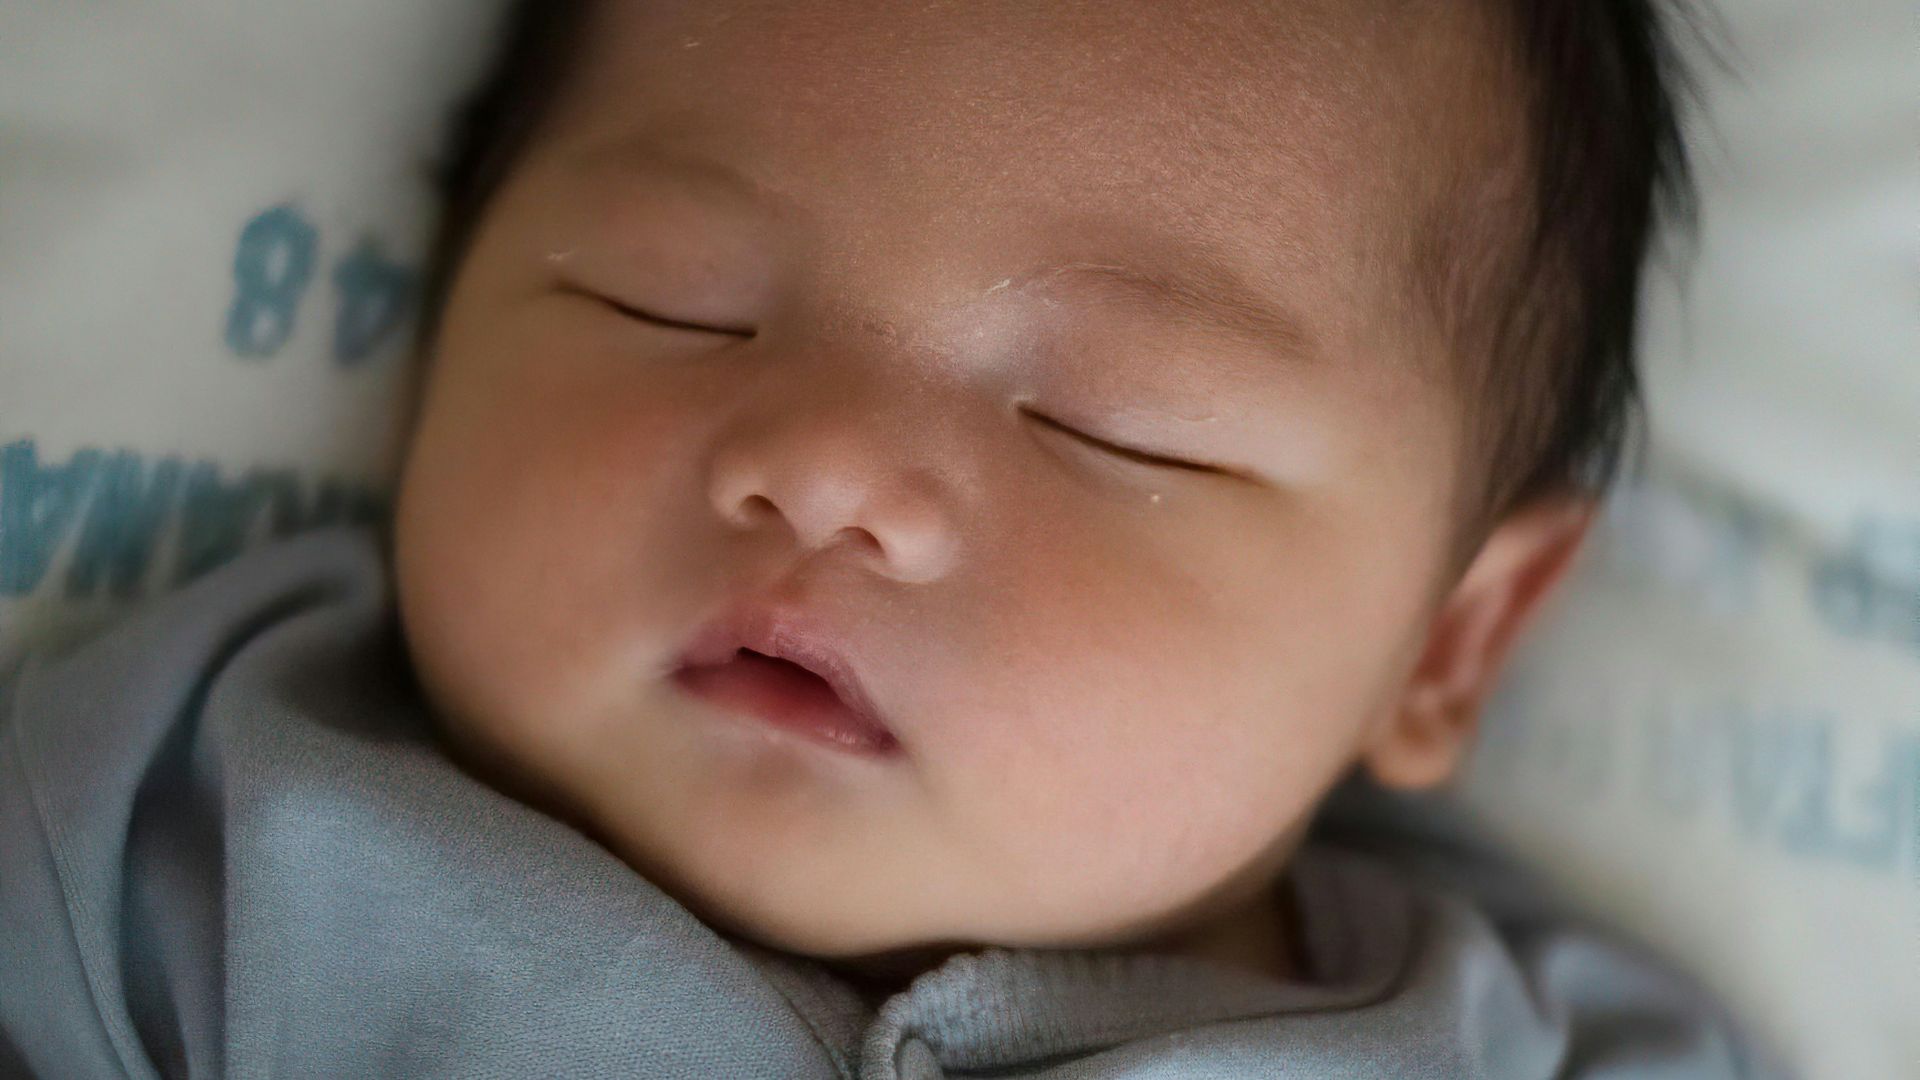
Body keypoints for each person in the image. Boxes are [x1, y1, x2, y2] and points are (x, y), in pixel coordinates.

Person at [0, 1, 1790, 1076]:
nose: (827, 467)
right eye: (671, 303)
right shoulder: (199, 852)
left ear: (1445, 644)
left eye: (1112, 424)